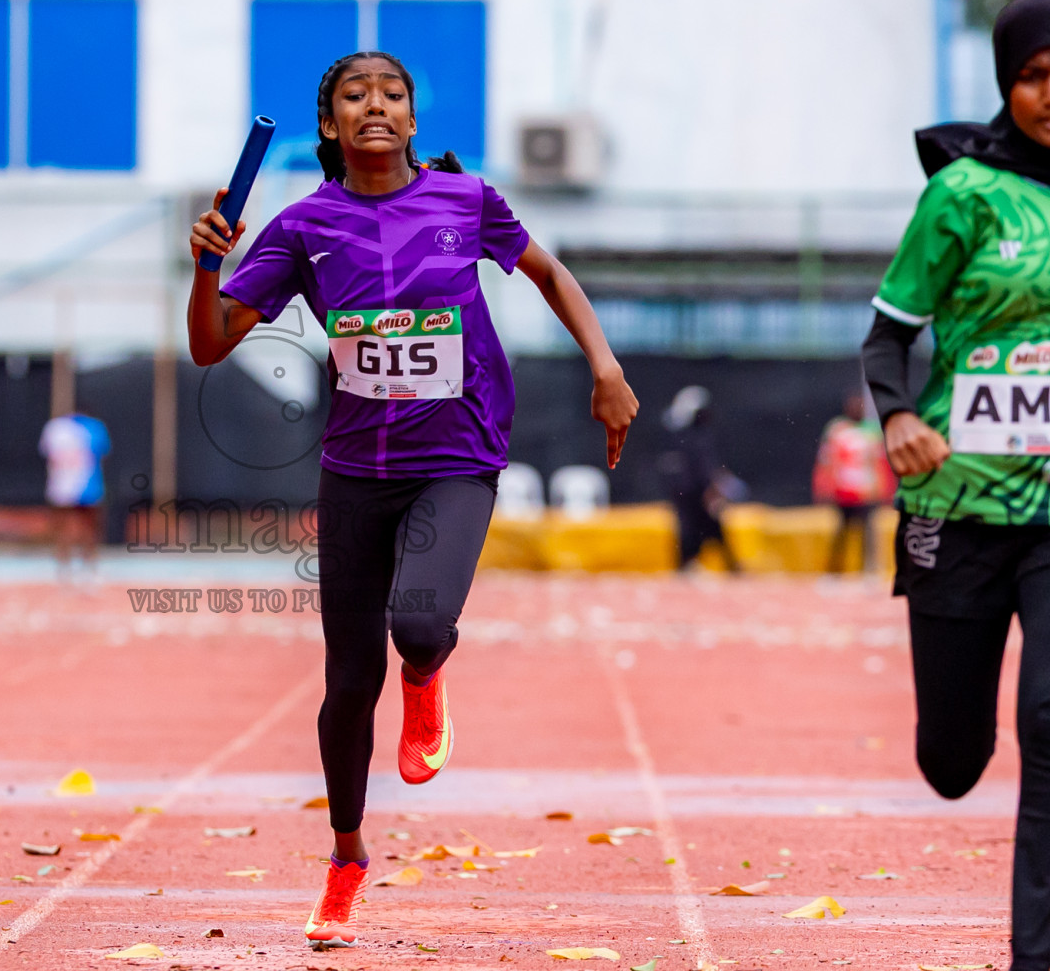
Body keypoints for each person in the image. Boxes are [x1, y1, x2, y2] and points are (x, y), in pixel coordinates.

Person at [187, 51, 638, 950]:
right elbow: (208, 346)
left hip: (458, 454)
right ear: (331, 126)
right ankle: (346, 858)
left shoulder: (465, 203)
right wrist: (205, 267)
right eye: (355, 96)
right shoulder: (300, 227)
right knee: (348, 684)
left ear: (413, 118)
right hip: (357, 469)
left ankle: (428, 678)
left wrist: (605, 365)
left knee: (420, 626)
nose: (376, 106)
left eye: (392, 93)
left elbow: (547, 274)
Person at [864, 0, 1050, 968]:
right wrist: (897, 416)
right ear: (1005, 85)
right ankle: (947, 737)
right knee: (954, 759)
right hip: (960, 500)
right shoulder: (966, 193)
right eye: (1035, 77)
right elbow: (891, 333)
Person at [658, 385, 743, 571]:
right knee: (694, 532)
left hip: (692, 495)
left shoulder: (683, 438)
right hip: (693, 496)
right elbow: (702, 469)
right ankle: (693, 565)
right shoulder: (691, 439)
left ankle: (729, 566)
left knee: (707, 531)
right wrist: (712, 491)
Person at [812, 392, 894, 573]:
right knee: (841, 533)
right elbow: (827, 460)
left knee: (868, 533)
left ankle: (869, 570)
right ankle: (834, 571)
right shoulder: (837, 430)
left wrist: (884, 489)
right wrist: (824, 485)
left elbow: (879, 463)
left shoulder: (872, 432)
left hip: (865, 491)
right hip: (843, 490)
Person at [39, 408, 110, 581]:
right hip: (88, 485)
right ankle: (90, 568)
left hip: (61, 486)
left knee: (62, 529)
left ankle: (64, 569)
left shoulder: (55, 428)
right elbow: (103, 453)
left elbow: (47, 453)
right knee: (90, 529)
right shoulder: (94, 427)